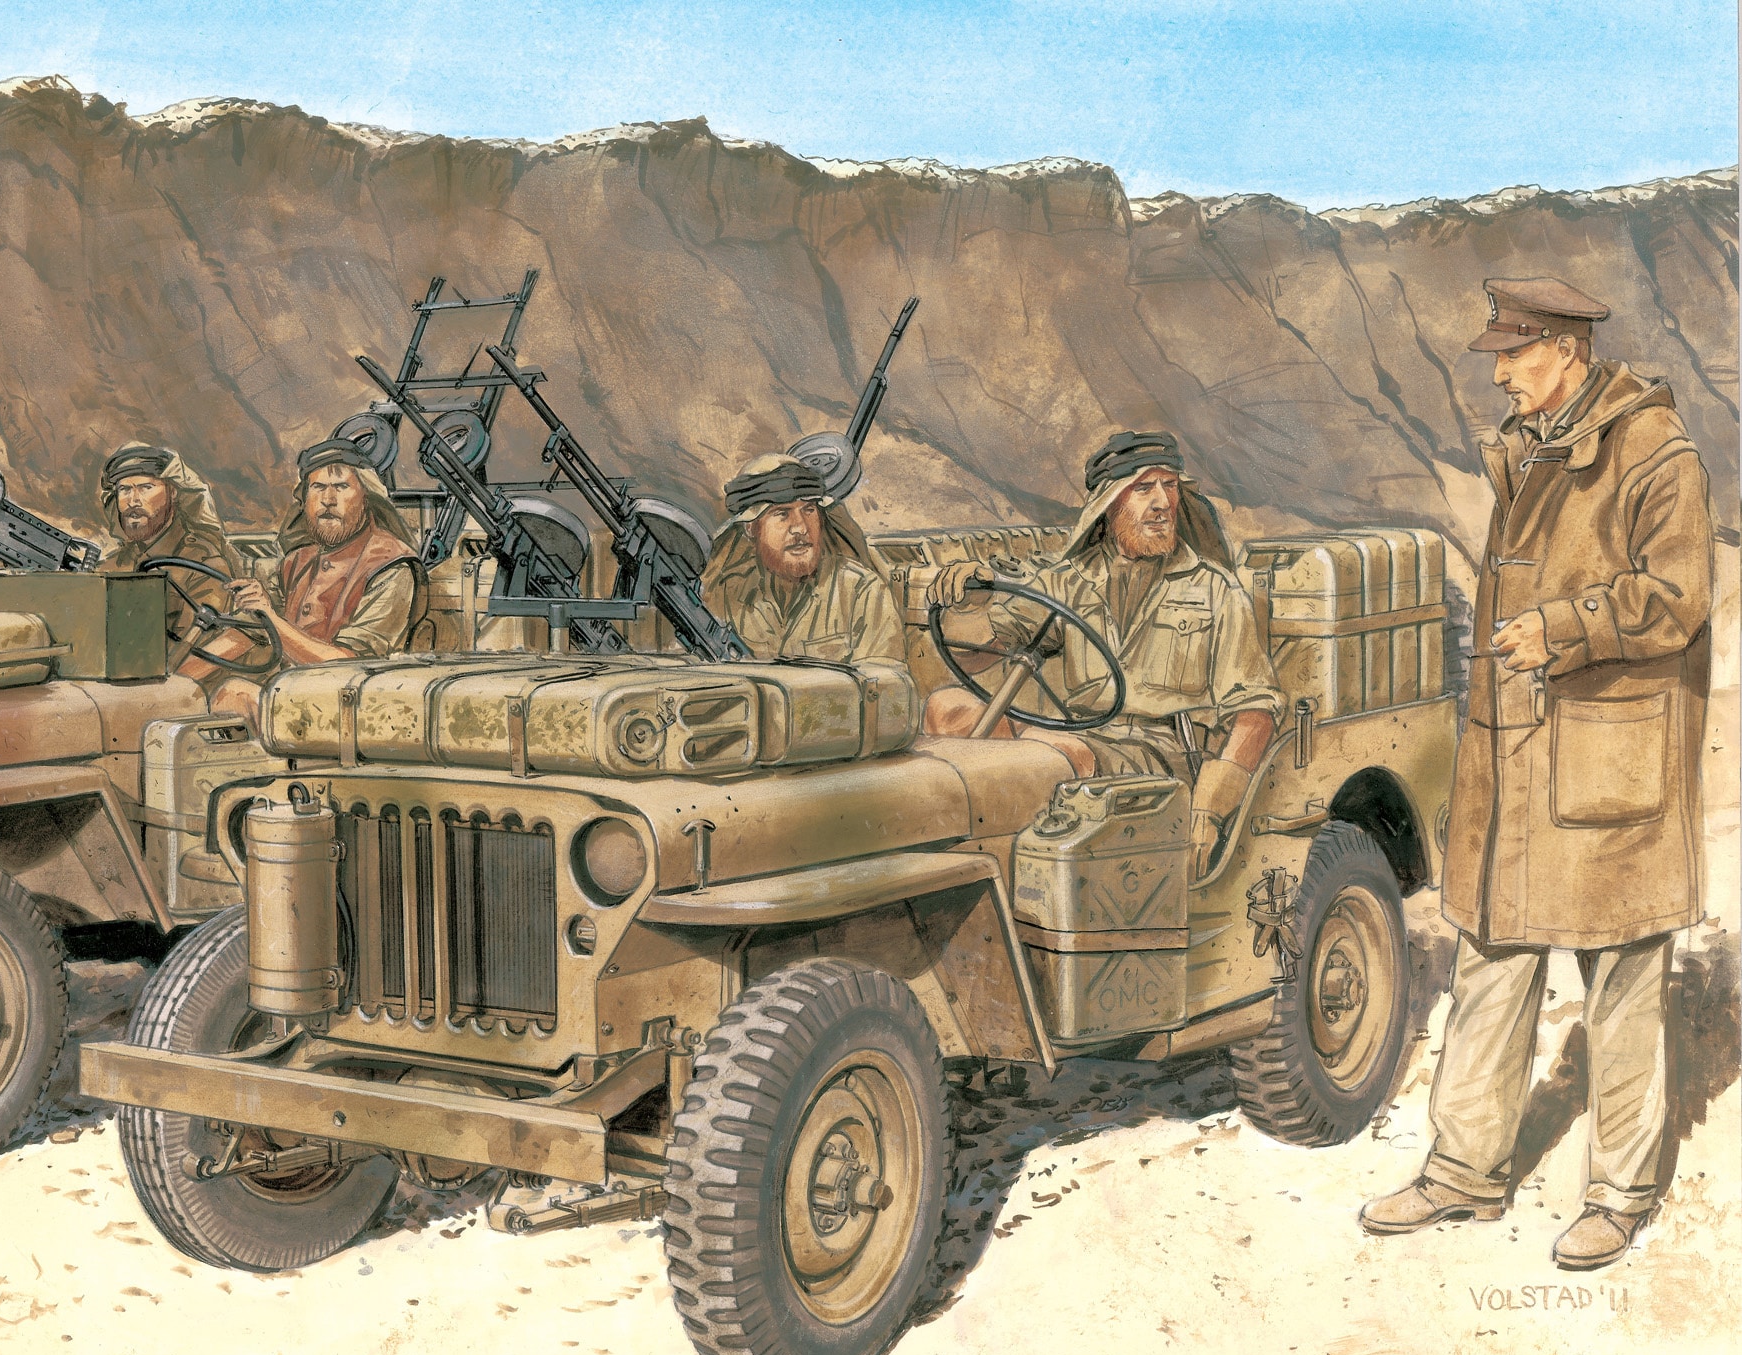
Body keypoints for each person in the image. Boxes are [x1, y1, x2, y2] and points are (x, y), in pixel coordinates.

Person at [1359, 278, 1714, 1272]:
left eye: (1513, 355)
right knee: (1492, 960)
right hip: (1518, 760)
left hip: (1608, 768)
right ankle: (1461, 1172)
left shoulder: (1655, 452)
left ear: (1565, 349)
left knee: (1622, 979)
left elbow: (1679, 598)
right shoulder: (1531, 446)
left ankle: (1620, 1193)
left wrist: (1561, 627)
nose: (1500, 375)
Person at [923, 430, 1284, 879]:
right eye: (1144, 488)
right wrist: (971, 605)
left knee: (1051, 754)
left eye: (1170, 486)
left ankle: (1018, 873)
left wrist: (1209, 807)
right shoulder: (1068, 580)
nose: (1163, 503)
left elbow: (1255, 713)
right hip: (1079, 737)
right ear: (1109, 503)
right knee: (947, 708)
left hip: (1161, 759)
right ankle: (971, 868)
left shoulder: (1215, 589)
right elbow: (978, 653)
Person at [192, 435, 422, 725]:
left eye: (341, 487)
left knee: (234, 695)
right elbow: (246, 632)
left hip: (358, 712)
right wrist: (176, 679)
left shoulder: (391, 566)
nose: (328, 500)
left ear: (366, 497)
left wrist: (270, 617)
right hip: (293, 699)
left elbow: (350, 666)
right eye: (318, 487)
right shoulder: (297, 561)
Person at [698, 452, 907, 668]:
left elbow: (886, 682)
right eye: (782, 513)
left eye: (809, 510)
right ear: (751, 528)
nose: (800, 527)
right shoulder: (726, 593)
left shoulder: (862, 592)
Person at [96, 443, 240, 642]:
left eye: (146, 488)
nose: (133, 501)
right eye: (124, 489)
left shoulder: (203, 563)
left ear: (172, 493)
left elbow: (194, 649)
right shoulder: (110, 566)